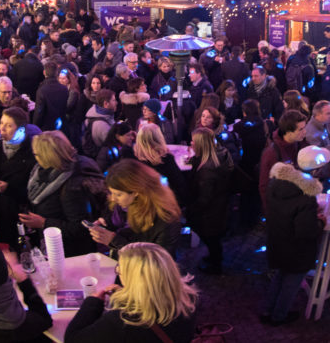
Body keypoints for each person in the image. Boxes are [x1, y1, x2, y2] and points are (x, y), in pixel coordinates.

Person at [64, 242, 197, 343]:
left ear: (134, 281)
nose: (118, 272)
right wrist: (130, 294)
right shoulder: (188, 298)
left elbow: (72, 339)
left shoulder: (123, 322)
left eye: (120, 271)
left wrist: (93, 302)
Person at [261, 145, 330, 325]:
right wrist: (320, 222)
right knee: (291, 283)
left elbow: (285, 211)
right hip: (296, 250)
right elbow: (306, 231)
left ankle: (267, 310)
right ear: (316, 170)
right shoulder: (306, 195)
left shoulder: (276, 182)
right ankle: (278, 316)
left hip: (277, 241)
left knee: (279, 276)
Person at [17, 130, 106, 257]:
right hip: (55, 245)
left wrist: (44, 223)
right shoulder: (45, 171)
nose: (34, 157)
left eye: (37, 154)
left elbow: (82, 227)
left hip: (71, 253)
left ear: (48, 156)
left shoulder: (72, 185)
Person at [88, 159, 183, 258]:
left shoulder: (165, 219)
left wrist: (114, 241)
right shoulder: (120, 206)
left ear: (136, 192)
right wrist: (105, 225)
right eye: (111, 193)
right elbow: (116, 223)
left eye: (118, 194)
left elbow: (157, 260)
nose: (113, 198)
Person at [0, 106, 38, 245]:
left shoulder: (33, 150)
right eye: (1, 123)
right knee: (9, 243)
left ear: (21, 130)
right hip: (4, 208)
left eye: (9, 125)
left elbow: (36, 187)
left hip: (25, 210)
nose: (2, 129)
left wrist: (9, 188)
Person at [186, 127, 234, 275]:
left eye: (193, 142)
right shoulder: (220, 154)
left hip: (211, 213)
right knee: (213, 239)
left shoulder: (207, 170)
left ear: (201, 145)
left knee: (210, 238)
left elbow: (204, 199)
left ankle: (215, 266)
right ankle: (214, 257)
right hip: (221, 205)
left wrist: (190, 210)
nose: (190, 143)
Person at [258, 110, 308, 206]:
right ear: (288, 132)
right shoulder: (272, 153)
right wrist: (270, 211)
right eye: (300, 129)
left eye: (304, 128)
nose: (304, 132)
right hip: (280, 206)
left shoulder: (299, 144)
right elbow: (264, 187)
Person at [134, 123, 188, 209]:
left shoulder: (135, 160)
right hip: (167, 205)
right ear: (158, 138)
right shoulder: (166, 159)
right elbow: (179, 184)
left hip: (147, 206)